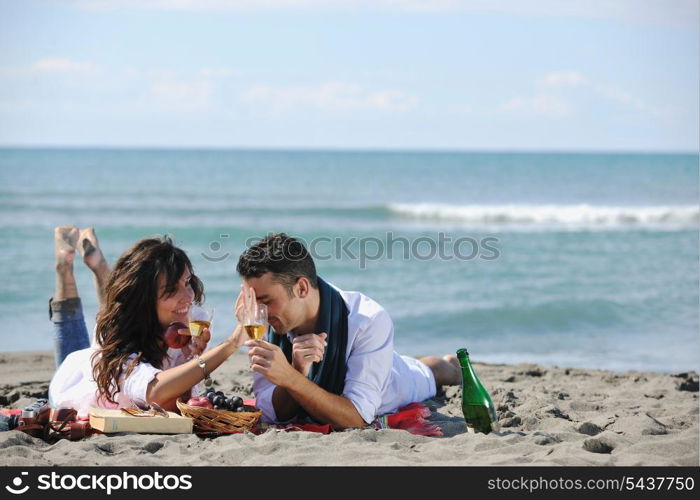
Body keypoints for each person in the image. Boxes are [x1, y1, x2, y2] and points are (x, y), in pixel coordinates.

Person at [240, 233, 463, 430]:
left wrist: (291, 378)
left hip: (398, 381)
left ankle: (452, 366)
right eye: (253, 300)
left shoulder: (367, 319)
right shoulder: (266, 322)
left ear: (301, 288)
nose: (258, 311)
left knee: (431, 371)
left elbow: (357, 417)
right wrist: (297, 370)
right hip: (371, 363)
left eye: (265, 300)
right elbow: (269, 412)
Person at [48, 226, 247, 417]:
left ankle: (98, 265)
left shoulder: (190, 321)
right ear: (145, 299)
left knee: (115, 311)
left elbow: (180, 398)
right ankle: (64, 264)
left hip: (128, 325)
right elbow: (156, 392)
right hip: (76, 383)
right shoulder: (116, 353)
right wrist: (233, 342)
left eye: (187, 282)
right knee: (92, 331)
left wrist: (193, 357)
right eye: (171, 289)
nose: (187, 296)